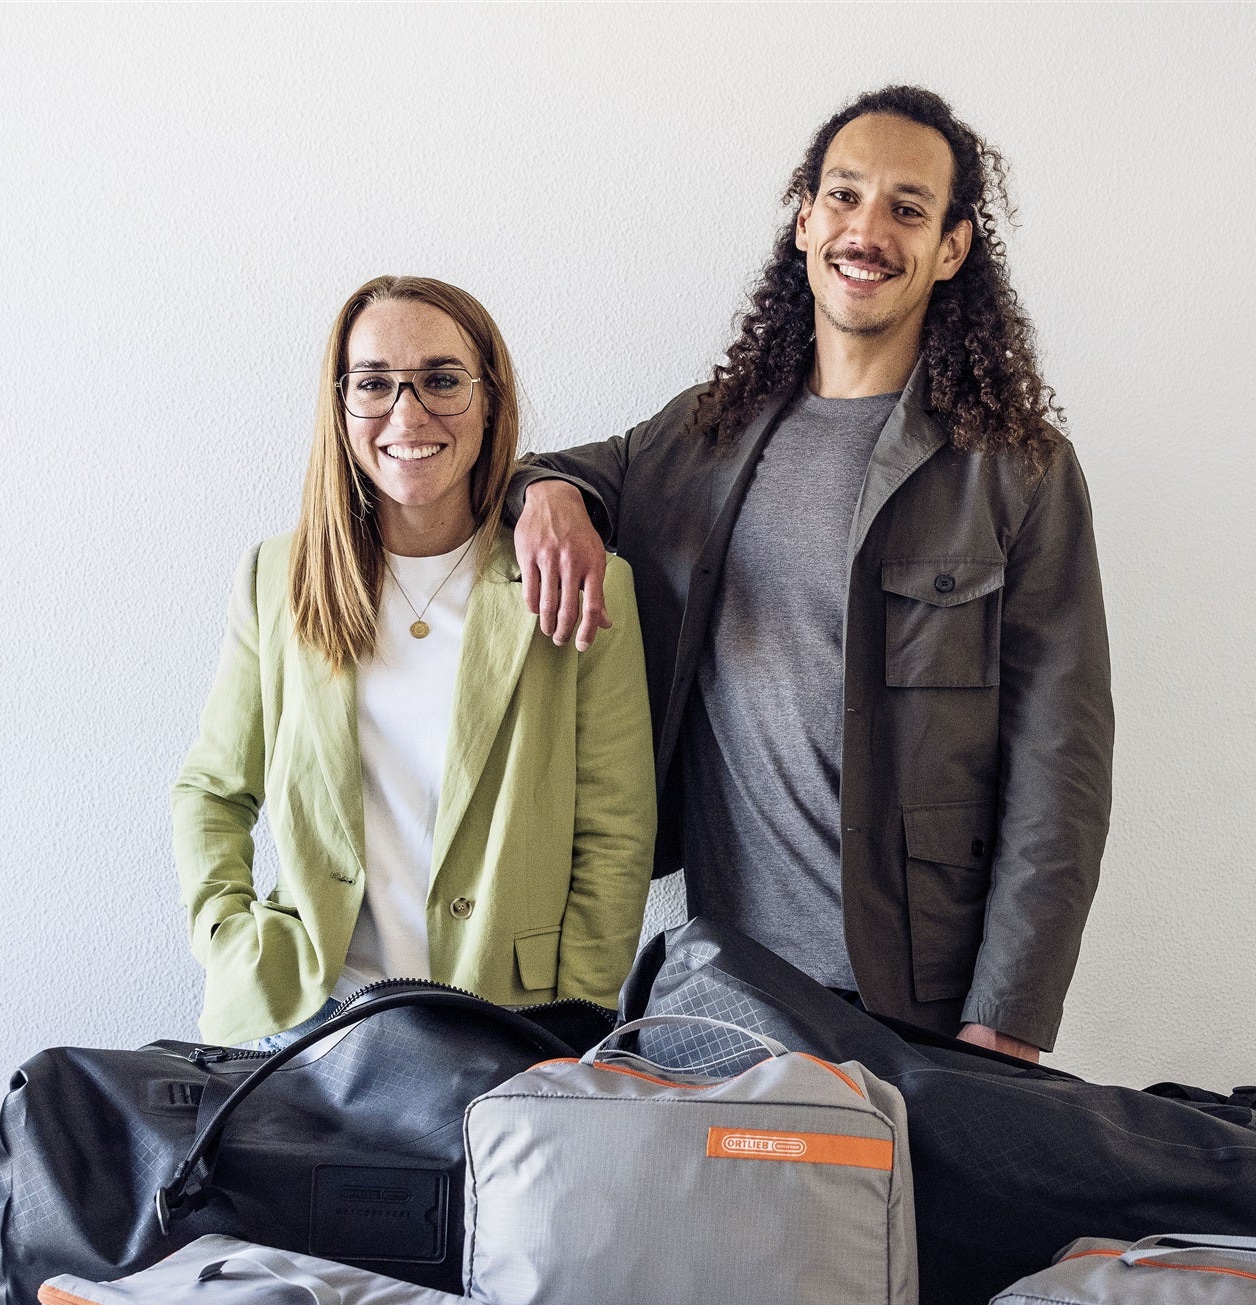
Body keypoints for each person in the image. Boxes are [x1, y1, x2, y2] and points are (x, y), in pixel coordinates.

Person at [509, 86, 1111, 1059]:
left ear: (950, 248)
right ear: (803, 220)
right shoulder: (705, 434)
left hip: (919, 994)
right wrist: (546, 494)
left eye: (907, 208)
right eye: (843, 195)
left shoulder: (1017, 469)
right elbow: (562, 472)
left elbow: (1061, 761)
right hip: (723, 988)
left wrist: (1008, 1010)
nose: (866, 230)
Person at [174, 276, 655, 1047]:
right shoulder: (278, 578)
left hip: (511, 1025)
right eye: (374, 384)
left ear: (489, 399)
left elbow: (615, 831)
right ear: (340, 406)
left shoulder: (579, 581)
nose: (408, 413)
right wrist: (232, 940)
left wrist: (577, 1013)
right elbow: (212, 789)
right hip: (306, 1029)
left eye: (441, 381)